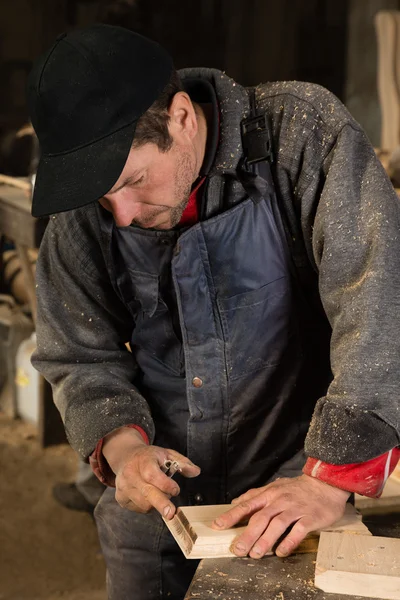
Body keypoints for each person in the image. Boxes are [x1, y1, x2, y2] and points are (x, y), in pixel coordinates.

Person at [28, 24, 400, 600]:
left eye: (132, 181)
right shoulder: (91, 206)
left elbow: (378, 306)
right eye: (104, 197)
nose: (120, 214)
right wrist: (125, 452)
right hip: (157, 499)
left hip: (296, 480)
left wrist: (330, 480)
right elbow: (77, 350)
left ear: (180, 117)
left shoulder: (301, 136)